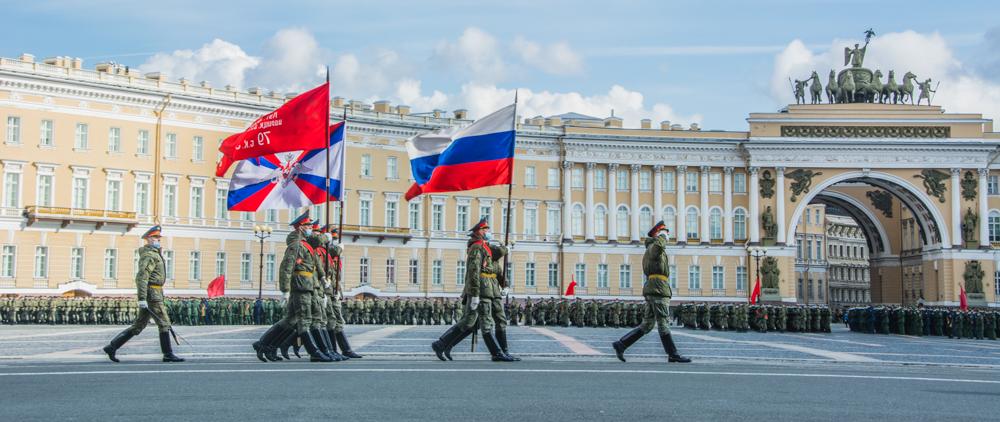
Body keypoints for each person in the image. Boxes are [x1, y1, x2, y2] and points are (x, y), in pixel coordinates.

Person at [431, 218, 517, 362]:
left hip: (491, 289)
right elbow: (474, 271)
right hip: (482, 290)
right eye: (484, 229)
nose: (487, 232)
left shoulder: (486, 247)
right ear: (478, 231)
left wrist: (505, 285)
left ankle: (444, 345)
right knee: (475, 322)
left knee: (476, 322)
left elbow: (496, 268)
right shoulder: (477, 247)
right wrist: (475, 294)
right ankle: (496, 353)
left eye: (487, 229)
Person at [102, 225, 185, 363]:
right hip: (153, 294)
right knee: (164, 323)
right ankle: (168, 354)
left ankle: (112, 347)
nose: (158, 239)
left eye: (159, 237)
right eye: (155, 237)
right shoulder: (149, 255)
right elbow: (142, 277)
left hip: (155, 292)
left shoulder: (155, 253)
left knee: (138, 325)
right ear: (148, 239)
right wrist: (141, 297)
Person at [612, 222, 690, 363]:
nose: (667, 235)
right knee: (663, 323)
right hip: (658, 290)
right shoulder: (654, 247)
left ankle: (621, 344)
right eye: (664, 232)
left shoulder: (651, 248)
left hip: (654, 288)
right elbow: (660, 246)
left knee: (647, 324)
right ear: (657, 234)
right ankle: (673, 354)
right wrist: (662, 237)